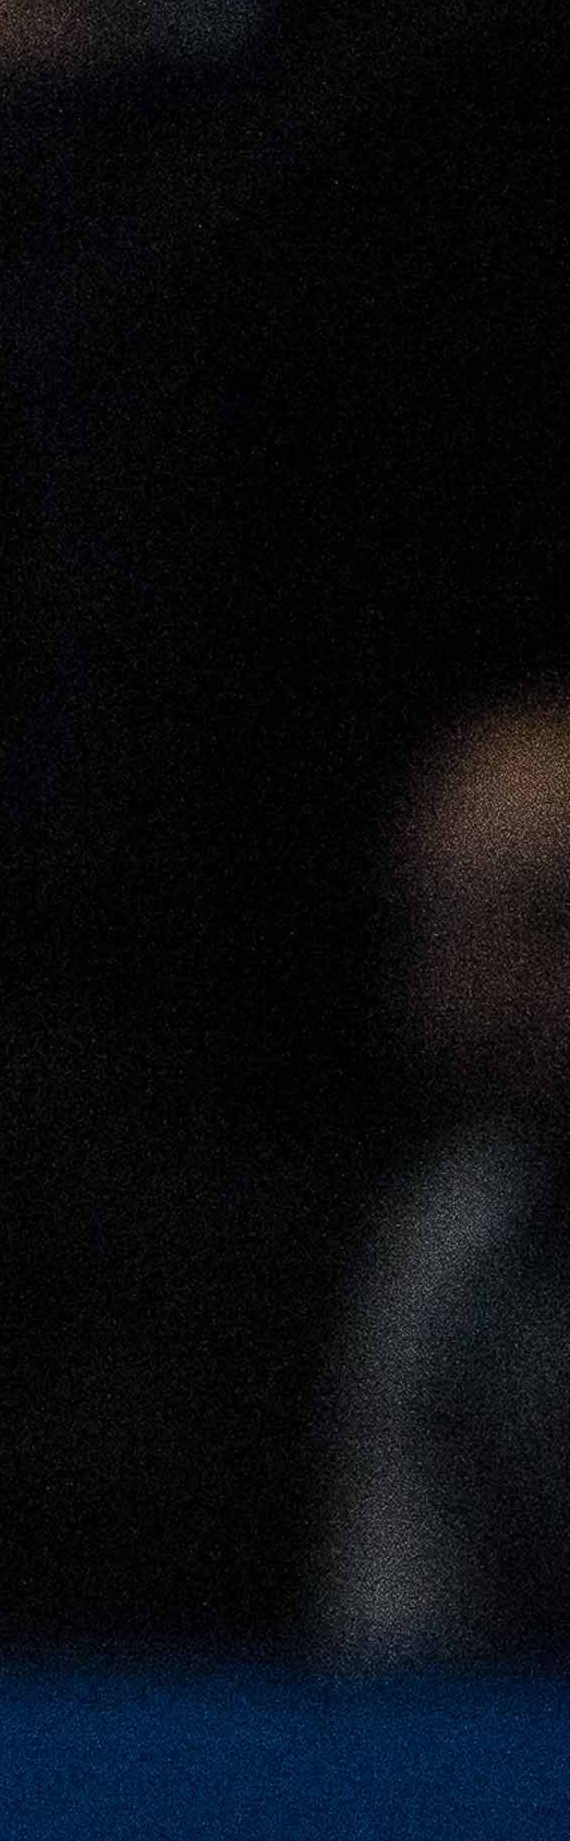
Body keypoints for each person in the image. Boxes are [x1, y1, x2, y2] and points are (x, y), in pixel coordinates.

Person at [319, 684, 570, 1663]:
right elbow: (397, 1648)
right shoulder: (448, 1234)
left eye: (547, 921)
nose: (483, 989)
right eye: (449, 931)